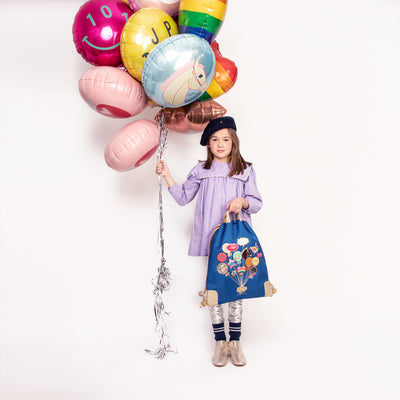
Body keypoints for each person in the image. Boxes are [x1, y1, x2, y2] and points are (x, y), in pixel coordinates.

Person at [156, 116, 263, 367]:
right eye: (215, 140)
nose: (220, 144)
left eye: (225, 139)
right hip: (211, 238)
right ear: (208, 144)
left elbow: (256, 203)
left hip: (236, 242)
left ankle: (235, 341)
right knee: (214, 287)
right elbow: (183, 197)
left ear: (234, 142)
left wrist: (242, 201)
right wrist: (167, 175)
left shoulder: (245, 170)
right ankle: (219, 341)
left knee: (236, 288)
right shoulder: (201, 170)